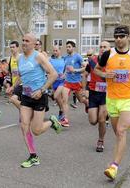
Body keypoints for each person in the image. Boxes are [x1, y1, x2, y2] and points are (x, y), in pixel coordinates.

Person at [94, 25, 130, 180]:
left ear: (128, 37)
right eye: (116, 36)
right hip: (112, 98)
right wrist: (105, 74)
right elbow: (96, 69)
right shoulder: (107, 54)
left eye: (121, 36)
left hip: (129, 98)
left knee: (121, 131)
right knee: (118, 133)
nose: (118, 39)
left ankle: (114, 167)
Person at [18, 33, 62, 168]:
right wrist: (13, 87)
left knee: (36, 130)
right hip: (26, 96)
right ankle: (33, 156)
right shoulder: (20, 58)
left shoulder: (38, 56)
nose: (24, 43)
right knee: (24, 125)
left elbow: (53, 74)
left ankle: (52, 121)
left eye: (27, 41)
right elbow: (22, 76)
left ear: (33, 43)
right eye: (23, 40)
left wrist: (42, 90)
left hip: (39, 96)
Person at [82, 41, 110, 152]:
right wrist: (84, 90)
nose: (102, 49)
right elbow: (85, 75)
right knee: (93, 121)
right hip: (93, 93)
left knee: (101, 119)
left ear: (109, 49)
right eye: (101, 47)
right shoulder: (93, 61)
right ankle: (89, 107)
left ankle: (100, 140)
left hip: (106, 94)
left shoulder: (112, 62)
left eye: (105, 47)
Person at [61, 41, 87, 127]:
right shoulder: (66, 57)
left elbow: (85, 67)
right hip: (67, 82)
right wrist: (63, 74)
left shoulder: (78, 57)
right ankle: (66, 119)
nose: (68, 48)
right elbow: (66, 69)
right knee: (64, 100)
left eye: (69, 47)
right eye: (67, 47)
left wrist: (75, 70)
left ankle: (87, 104)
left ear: (73, 47)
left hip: (76, 82)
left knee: (81, 100)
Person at [49, 45, 65, 121]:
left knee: (55, 96)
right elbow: (49, 71)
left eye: (56, 50)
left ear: (60, 51)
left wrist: (64, 74)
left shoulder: (64, 59)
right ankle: (61, 111)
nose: (55, 52)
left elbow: (67, 69)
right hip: (54, 81)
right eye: (54, 51)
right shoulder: (51, 60)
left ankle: (63, 111)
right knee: (58, 99)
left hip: (62, 81)